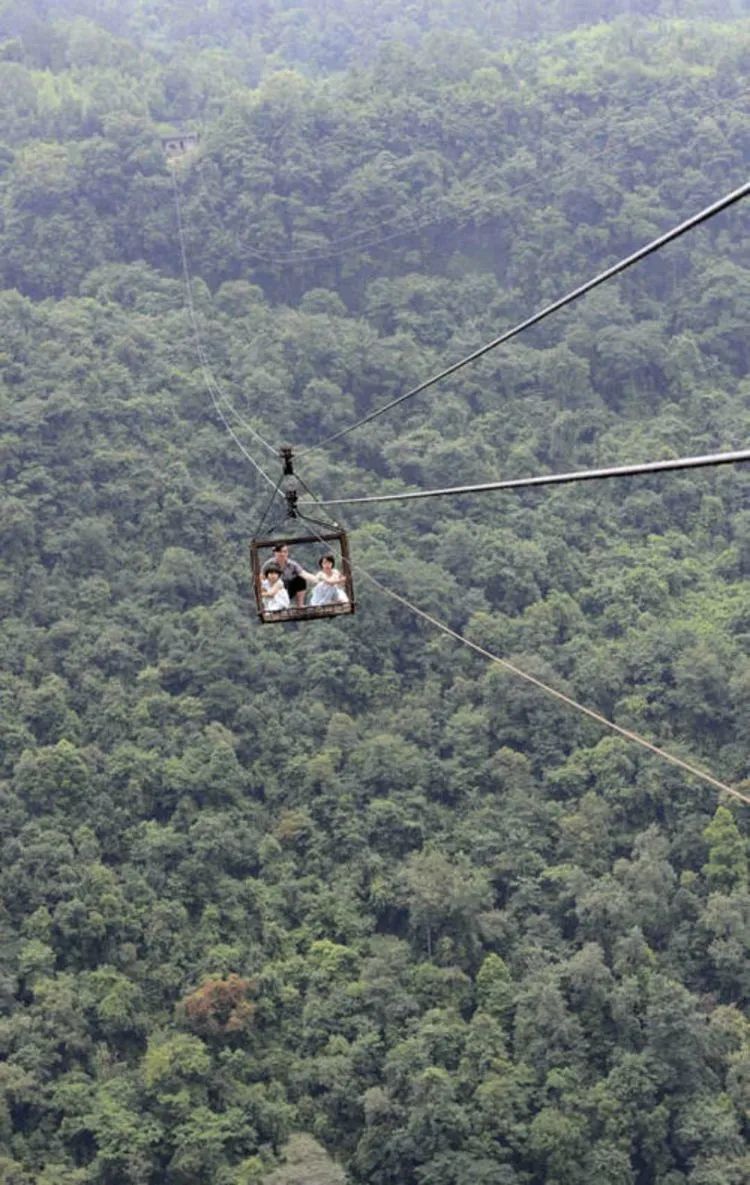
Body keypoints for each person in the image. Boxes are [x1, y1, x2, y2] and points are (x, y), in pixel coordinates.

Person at [262, 544, 311, 608]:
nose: (282, 554)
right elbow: (261, 578)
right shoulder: (269, 564)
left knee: (301, 579)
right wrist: (261, 591)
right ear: (275, 553)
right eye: (279, 552)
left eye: (284, 552)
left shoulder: (292, 564)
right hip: (272, 590)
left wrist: (318, 579)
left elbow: (304, 574)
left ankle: (300, 605)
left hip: (285, 591)